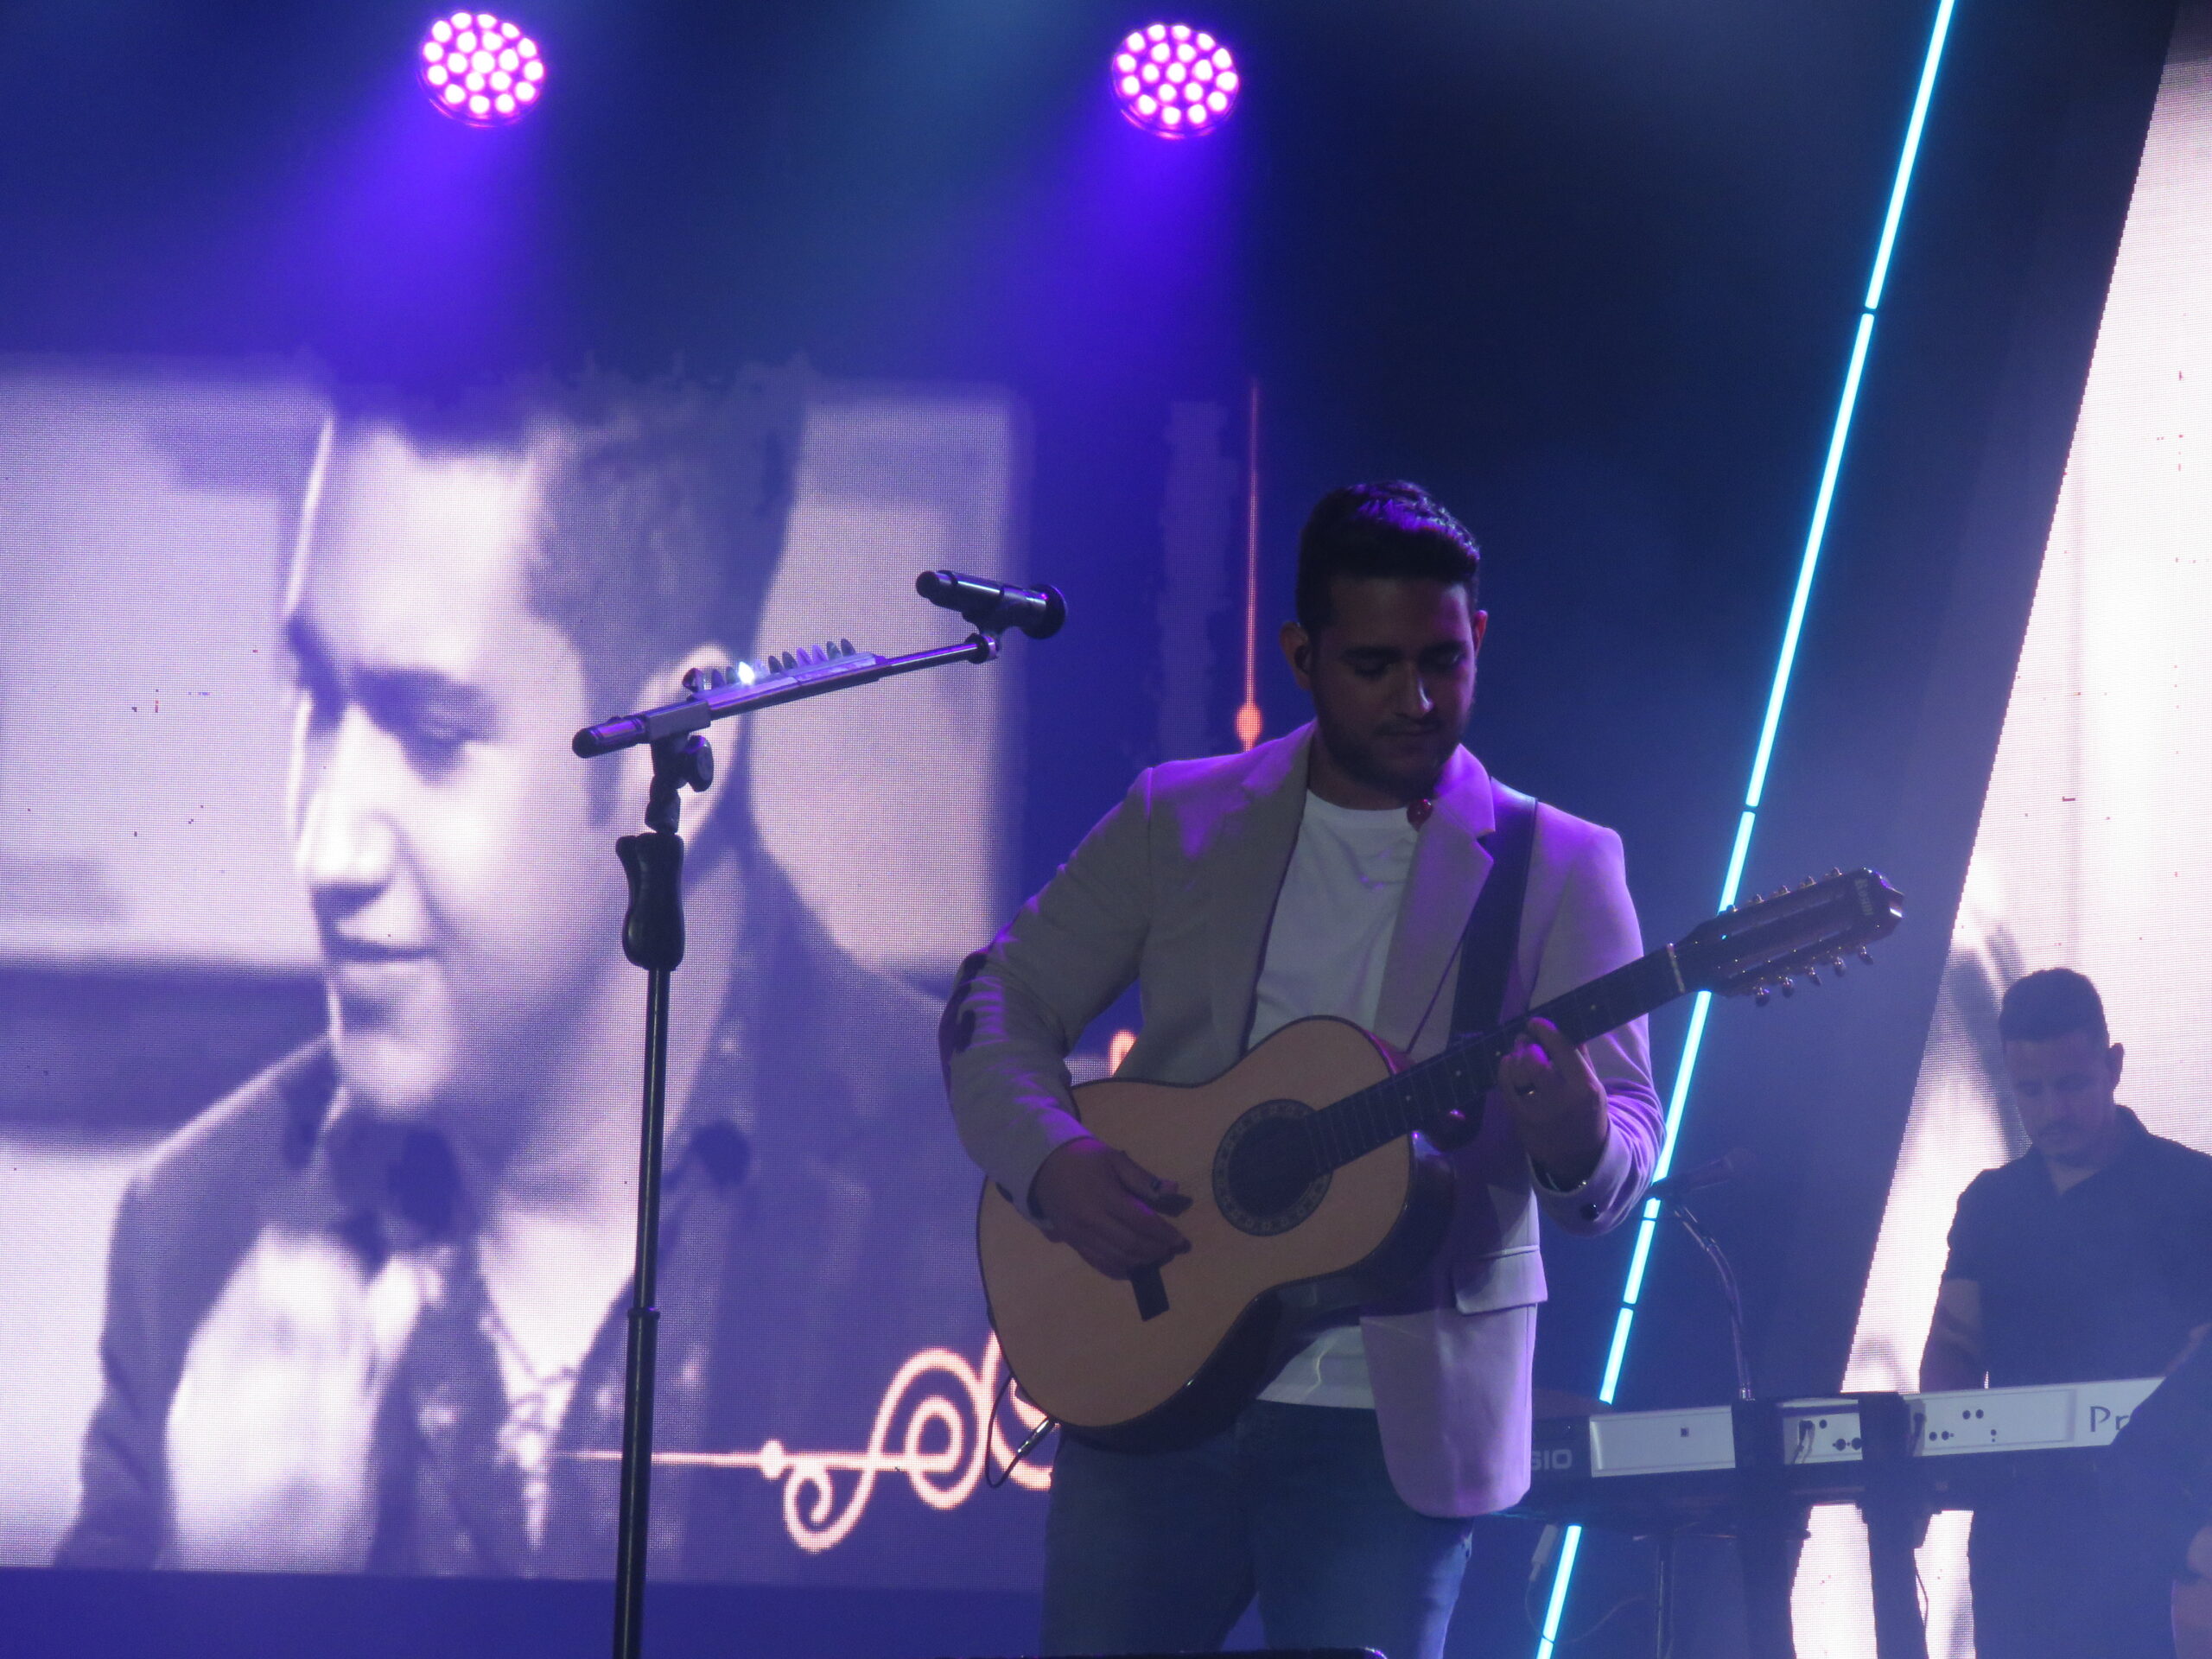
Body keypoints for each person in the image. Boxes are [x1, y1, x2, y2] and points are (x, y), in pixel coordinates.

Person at [57, 371, 995, 1583]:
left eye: (433, 731)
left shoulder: (1003, 1207)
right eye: (318, 697)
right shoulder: (190, 1241)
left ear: (687, 745)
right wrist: (236, 1606)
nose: (325, 846)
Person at [943, 480, 1662, 1659]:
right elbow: (996, 998)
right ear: (1302, 654)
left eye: (1444, 660)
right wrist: (1052, 1161)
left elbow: (1626, 1132)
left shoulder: (1564, 865)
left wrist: (1579, 1136)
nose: (1418, 699)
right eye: (1374, 666)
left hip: (1393, 1420)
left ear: (1479, 638)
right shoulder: (1179, 815)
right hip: (1149, 1368)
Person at [1921, 967, 2212, 1658]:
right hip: (2019, 1535)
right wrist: (1944, 1442)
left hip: (2159, 1532)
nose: (2052, 1109)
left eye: (2072, 1084)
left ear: (2112, 1066)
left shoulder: (2193, 1189)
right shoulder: (1990, 1205)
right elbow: (1955, 1344)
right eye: (2031, 1090)